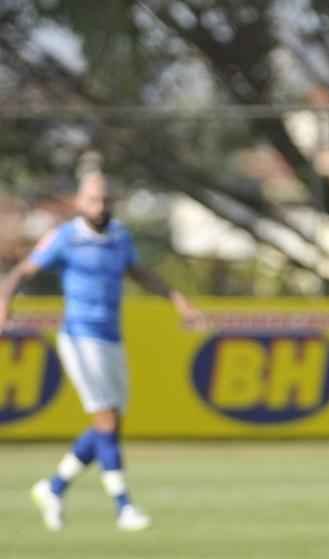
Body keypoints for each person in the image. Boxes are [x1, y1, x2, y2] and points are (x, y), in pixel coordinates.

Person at [0, 172, 203, 532]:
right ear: (80, 202)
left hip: (111, 338)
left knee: (109, 424)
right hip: (80, 337)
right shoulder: (66, 237)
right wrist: (4, 304)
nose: (100, 206)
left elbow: (140, 273)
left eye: (106, 199)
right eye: (93, 199)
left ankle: (54, 488)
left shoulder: (120, 237)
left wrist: (177, 300)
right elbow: (21, 272)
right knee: (106, 420)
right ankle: (124, 507)